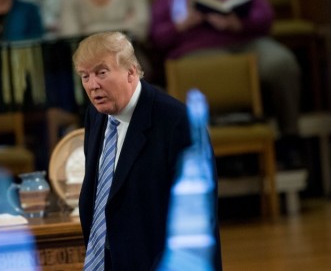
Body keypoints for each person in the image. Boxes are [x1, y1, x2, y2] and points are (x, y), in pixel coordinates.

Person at [150, 0, 302, 168]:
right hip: (196, 49)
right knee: (220, 73)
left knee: (280, 63)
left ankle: (290, 140)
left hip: (244, 42)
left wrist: (235, 23)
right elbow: (156, 37)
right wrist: (182, 25)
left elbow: (266, 17)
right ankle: (215, 153)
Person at [73, 31, 222, 269]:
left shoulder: (178, 123)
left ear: (131, 71)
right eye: (85, 76)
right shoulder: (96, 115)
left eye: (102, 73)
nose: (92, 85)